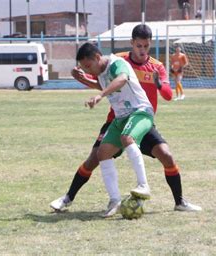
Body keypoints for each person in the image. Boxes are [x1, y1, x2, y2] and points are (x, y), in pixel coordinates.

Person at [50, 24, 201, 217]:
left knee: (166, 155)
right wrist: (83, 79)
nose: (142, 50)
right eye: (139, 46)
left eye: (146, 46)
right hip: (117, 118)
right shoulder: (118, 59)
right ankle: (70, 198)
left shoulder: (155, 66)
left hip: (140, 117)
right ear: (132, 43)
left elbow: (167, 95)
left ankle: (178, 201)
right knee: (96, 157)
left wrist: (158, 84)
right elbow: (101, 82)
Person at [77, 42, 154, 217]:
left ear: (97, 57)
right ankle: (114, 200)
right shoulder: (101, 73)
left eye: (88, 66)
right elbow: (103, 85)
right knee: (102, 153)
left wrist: (100, 96)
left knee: (127, 138)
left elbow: (122, 79)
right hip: (121, 117)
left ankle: (144, 185)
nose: (88, 71)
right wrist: (82, 79)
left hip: (140, 111)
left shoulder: (115, 63)